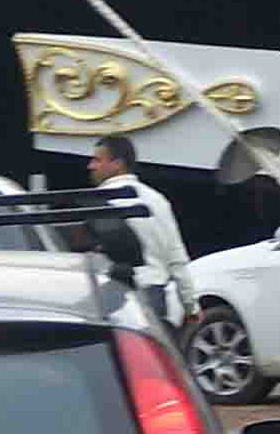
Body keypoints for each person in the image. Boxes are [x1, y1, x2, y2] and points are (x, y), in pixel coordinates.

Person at [85, 132, 201, 340]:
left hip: (112, 296)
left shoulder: (97, 202)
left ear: (117, 164)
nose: (90, 166)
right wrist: (191, 306)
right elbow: (177, 258)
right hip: (155, 297)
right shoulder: (157, 200)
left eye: (97, 160)